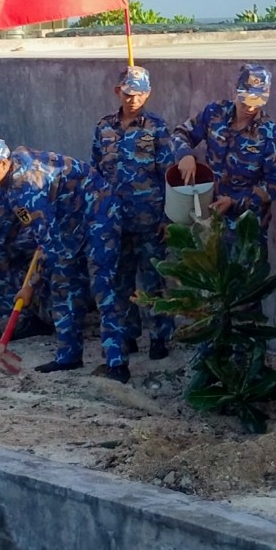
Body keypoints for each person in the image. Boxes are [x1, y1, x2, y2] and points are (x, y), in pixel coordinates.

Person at [0, 138, 97, 367]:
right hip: (61, 228)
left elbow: (47, 241)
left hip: (89, 220)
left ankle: (76, 357)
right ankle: (68, 355)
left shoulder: (26, 184)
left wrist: (30, 285)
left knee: (64, 281)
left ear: (2, 163)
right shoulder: (9, 180)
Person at [89, 65, 185, 369]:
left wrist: (167, 220)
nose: (133, 99)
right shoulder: (104, 128)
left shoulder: (156, 128)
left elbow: (169, 175)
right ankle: (128, 334)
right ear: (118, 91)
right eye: (129, 93)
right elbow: (96, 173)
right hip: (115, 221)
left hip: (149, 219)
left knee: (153, 279)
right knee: (121, 281)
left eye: (140, 94)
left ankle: (161, 335)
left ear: (148, 94)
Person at [174, 63, 276, 237]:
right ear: (235, 90)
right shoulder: (214, 113)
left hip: (246, 228)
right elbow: (181, 133)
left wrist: (235, 201)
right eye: (245, 99)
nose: (250, 106)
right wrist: (185, 155)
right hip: (208, 216)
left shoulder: (273, 135)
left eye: (256, 101)